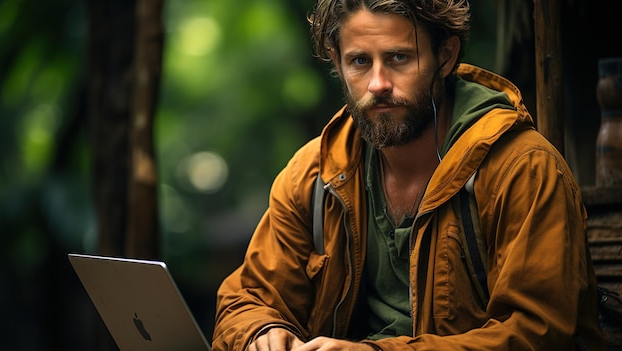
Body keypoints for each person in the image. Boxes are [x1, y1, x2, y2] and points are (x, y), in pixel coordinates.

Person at [212, 0, 606, 350]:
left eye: (399, 58)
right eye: (360, 62)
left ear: (446, 56)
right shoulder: (315, 174)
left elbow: (539, 334)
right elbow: (246, 299)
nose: (378, 84)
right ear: (337, 61)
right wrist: (260, 333)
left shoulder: (523, 169)